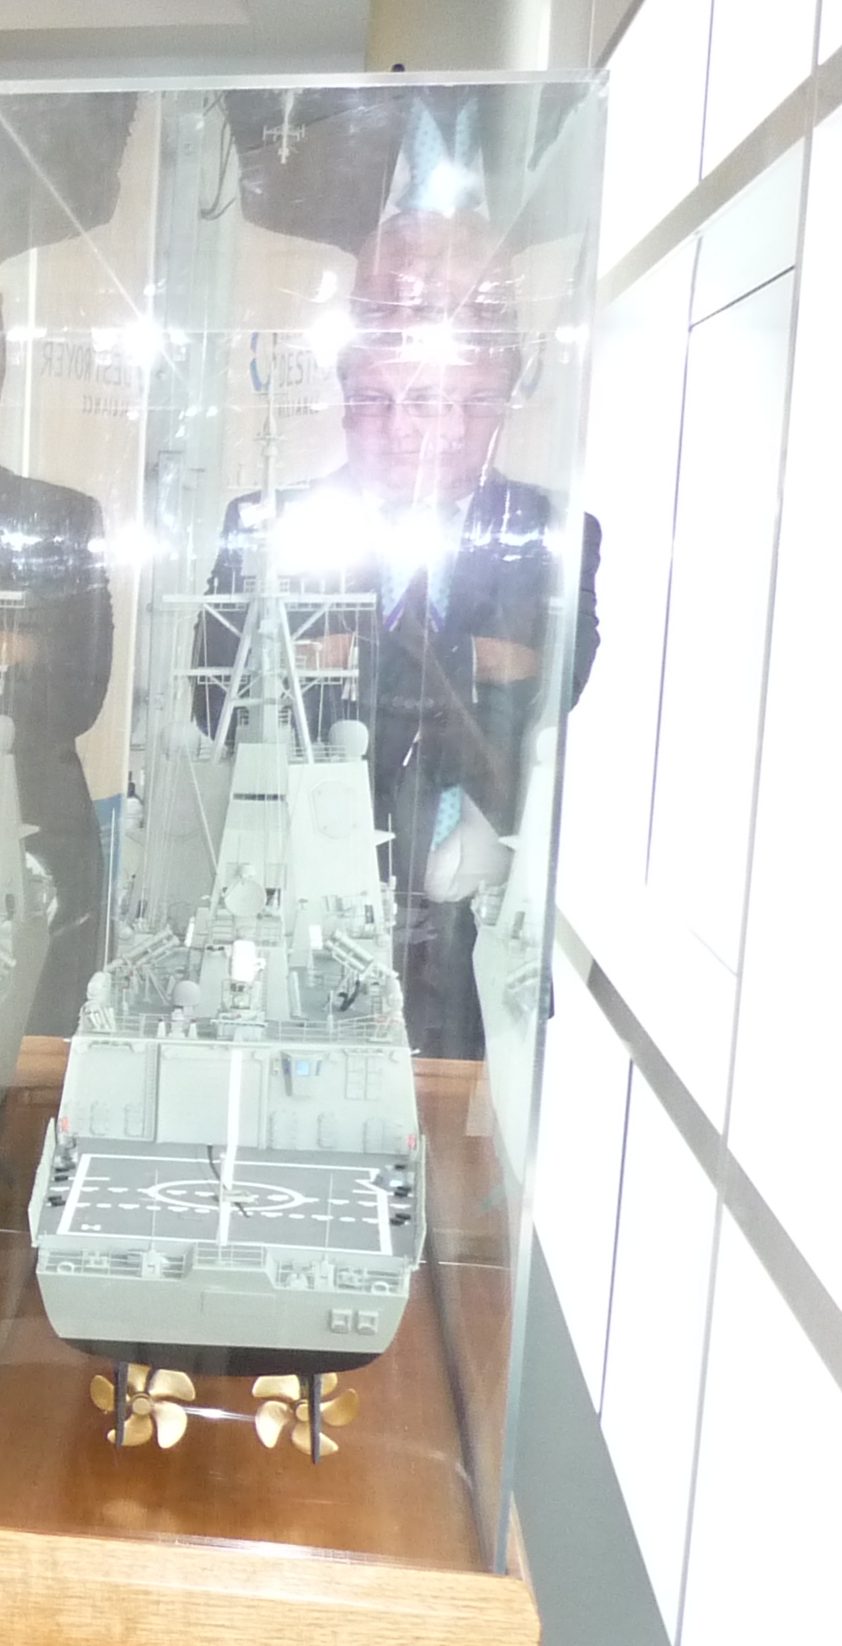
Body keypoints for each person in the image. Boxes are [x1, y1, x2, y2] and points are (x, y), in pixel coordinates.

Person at [194, 204, 599, 1061]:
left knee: (459, 1159)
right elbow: (212, 694)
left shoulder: (553, 533)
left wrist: (351, 657)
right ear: (345, 392)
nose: (410, 423)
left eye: (444, 395)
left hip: (478, 923)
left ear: (495, 394)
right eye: (375, 395)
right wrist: (472, 662)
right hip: (296, 899)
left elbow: (551, 681)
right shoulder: (270, 522)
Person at [0, 291, 114, 1037]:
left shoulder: (61, 518)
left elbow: (78, 688)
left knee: (35, 1058)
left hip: (35, 822)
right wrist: (13, 642)